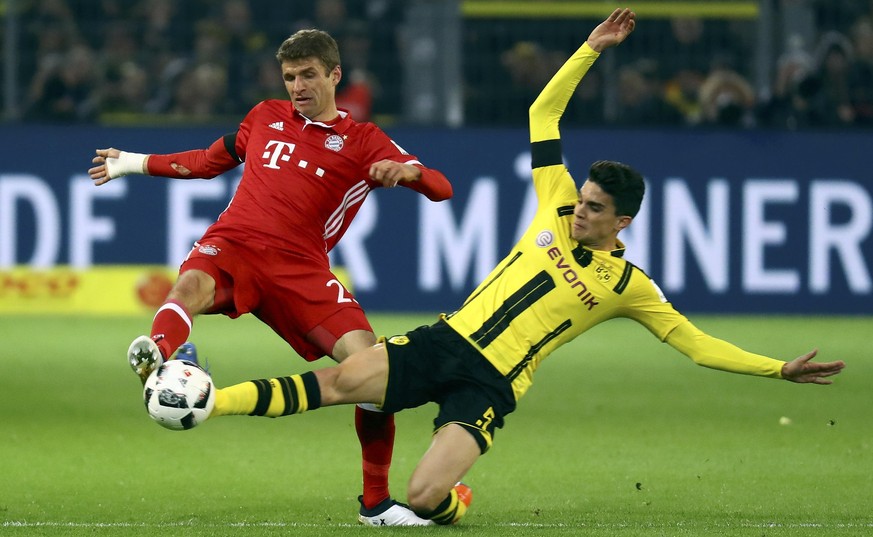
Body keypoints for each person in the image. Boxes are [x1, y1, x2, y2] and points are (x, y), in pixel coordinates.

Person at [188, 9, 848, 525]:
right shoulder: (554, 201)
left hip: (491, 385)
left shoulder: (628, 287)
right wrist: (590, 51)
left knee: (422, 497)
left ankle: (449, 503)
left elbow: (696, 345)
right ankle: (205, 403)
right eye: (580, 200)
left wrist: (777, 367)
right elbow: (543, 112)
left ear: (621, 223)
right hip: (445, 339)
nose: (577, 211)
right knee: (337, 381)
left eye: (592, 209)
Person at [88, 28, 452, 526]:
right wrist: (130, 163)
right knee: (189, 286)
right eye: (289, 77)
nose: (298, 87)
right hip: (234, 244)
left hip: (301, 271)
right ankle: (158, 355)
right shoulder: (264, 116)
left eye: (307, 75)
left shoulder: (365, 141)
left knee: (373, 372)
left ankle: (376, 504)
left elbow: (444, 188)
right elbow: (206, 163)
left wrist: (410, 173)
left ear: (334, 75)